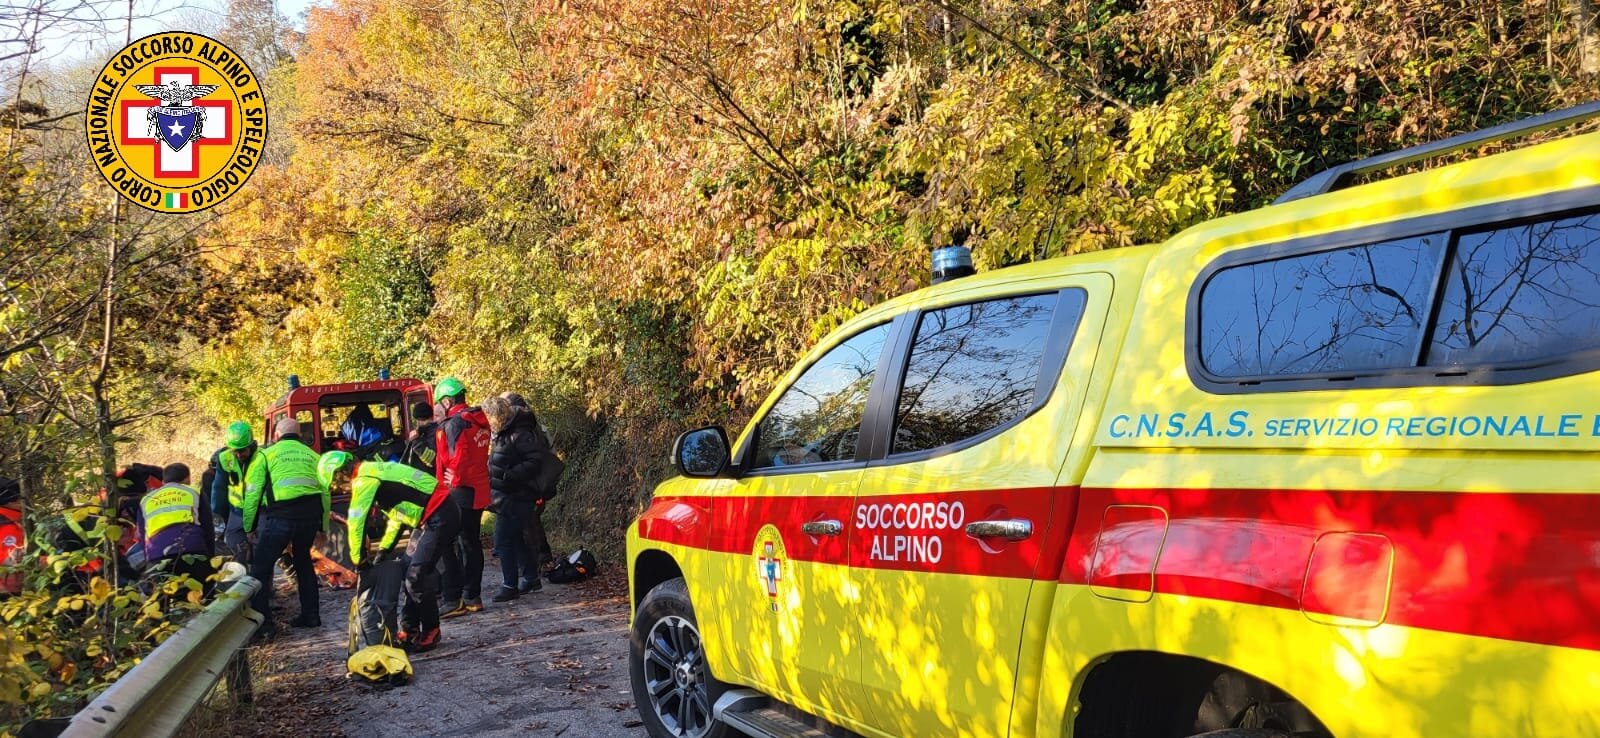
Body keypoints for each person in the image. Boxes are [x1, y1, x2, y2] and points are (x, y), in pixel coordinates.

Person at [318, 451, 459, 653]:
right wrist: (385, 549)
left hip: (440, 514)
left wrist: (359, 561)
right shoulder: (375, 471)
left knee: (416, 576)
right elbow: (398, 514)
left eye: (335, 484)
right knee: (407, 569)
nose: (338, 488)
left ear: (340, 474)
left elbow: (357, 522)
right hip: (431, 515)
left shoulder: (365, 479)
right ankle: (409, 629)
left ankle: (431, 629)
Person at [243, 416, 330, 636]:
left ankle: (264, 625)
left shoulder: (265, 454)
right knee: (303, 563)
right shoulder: (313, 456)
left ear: (275, 436)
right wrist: (323, 526)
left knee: (261, 569)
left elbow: (253, 493)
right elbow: (325, 492)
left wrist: (249, 526)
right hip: (309, 518)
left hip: (280, 517)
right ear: (300, 435)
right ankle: (311, 616)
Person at [433, 376, 492, 618]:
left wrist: (451, 481)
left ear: (447, 400)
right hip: (477, 490)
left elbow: (459, 456)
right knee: (471, 542)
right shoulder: (477, 420)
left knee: (447, 544)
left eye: (438, 402)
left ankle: (452, 598)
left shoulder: (454, 424)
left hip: (459, 492)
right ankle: (472, 596)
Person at [484, 396, 544, 601]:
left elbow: (535, 460)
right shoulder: (504, 432)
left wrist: (510, 475)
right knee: (515, 538)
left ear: (496, 416)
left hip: (518, 495)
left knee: (502, 541)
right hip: (507, 495)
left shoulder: (519, 433)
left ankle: (510, 584)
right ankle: (530, 577)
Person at [500, 392, 555, 573]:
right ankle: (539, 561)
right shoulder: (535, 426)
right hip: (537, 483)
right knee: (532, 522)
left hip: (529, 483)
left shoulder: (522, 429)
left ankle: (540, 561)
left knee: (529, 523)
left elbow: (531, 459)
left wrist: (512, 473)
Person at [139, 463, 215, 589]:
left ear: (163, 481)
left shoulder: (146, 499)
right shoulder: (193, 491)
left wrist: (150, 560)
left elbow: (142, 535)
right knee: (202, 594)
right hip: (192, 547)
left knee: (163, 600)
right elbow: (207, 527)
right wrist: (210, 558)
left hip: (157, 552)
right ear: (187, 479)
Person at [211, 421, 258, 563]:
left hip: (259, 513)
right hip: (237, 513)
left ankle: (263, 584)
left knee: (260, 558)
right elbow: (219, 489)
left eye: (242, 450)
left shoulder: (262, 457)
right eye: (234, 451)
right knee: (236, 553)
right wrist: (218, 516)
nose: (238, 455)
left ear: (251, 444)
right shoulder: (224, 458)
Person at [400, 402, 438, 473]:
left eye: (423, 420)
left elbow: (432, 460)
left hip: (429, 476)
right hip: (418, 474)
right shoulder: (421, 432)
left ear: (431, 417)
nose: (419, 423)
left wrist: (416, 442)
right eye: (418, 420)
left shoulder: (435, 432)